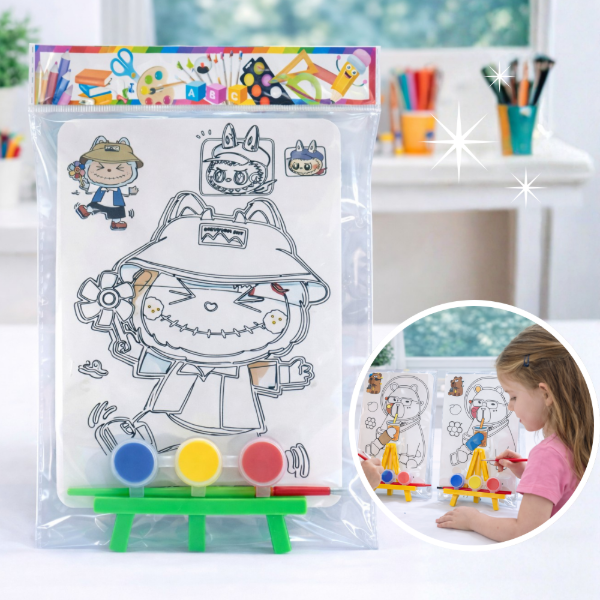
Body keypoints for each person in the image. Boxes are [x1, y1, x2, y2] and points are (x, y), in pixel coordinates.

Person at [436, 324, 594, 542]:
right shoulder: (578, 443)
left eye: (513, 397)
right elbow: (565, 484)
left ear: (546, 394)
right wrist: (529, 473)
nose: (510, 407)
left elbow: (525, 531)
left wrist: (473, 520)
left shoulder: (547, 455)